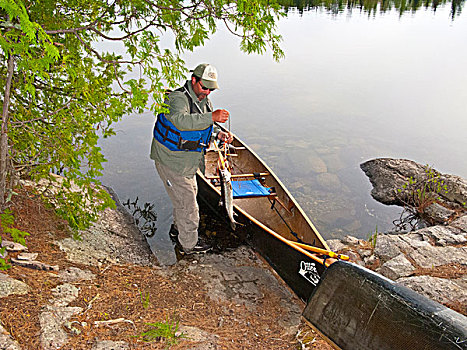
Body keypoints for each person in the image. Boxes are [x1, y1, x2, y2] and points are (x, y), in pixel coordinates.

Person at [150, 63, 233, 255]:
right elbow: (181, 121)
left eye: (211, 89)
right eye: (204, 87)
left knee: (186, 198)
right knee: (189, 206)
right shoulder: (177, 99)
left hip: (188, 163)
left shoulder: (205, 102)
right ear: (193, 80)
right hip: (171, 162)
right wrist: (212, 117)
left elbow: (203, 129)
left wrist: (218, 135)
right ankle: (188, 246)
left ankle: (177, 231)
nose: (207, 92)